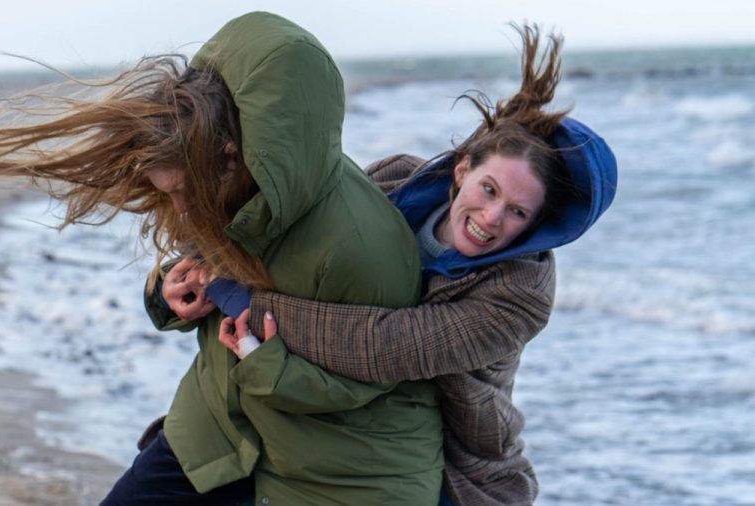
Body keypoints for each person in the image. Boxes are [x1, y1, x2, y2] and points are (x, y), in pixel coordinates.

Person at [0, 11, 444, 506]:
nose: (181, 209)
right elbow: (203, 279)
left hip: (339, 469)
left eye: (182, 191)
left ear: (231, 154)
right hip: (221, 429)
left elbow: (375, 379)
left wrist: (264, 364)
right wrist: (170, 293)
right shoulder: (228, 193)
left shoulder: (360, 246)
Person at [210, 24, 618, 506]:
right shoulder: (396, 180)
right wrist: (195, 266)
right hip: (340, 415)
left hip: (456, 466)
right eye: (489, 190)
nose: (492, 218)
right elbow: (294, 233)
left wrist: (240, 299)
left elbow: (384, 345)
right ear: (463, 168)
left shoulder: (520, 291)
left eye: (517, 212)